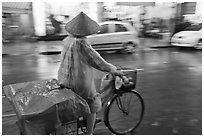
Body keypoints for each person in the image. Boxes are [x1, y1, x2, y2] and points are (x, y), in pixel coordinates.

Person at [58, 12, 123, 135]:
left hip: (63, 78)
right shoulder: (81, 42)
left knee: (82, 102)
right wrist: (112, 69)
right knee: (93, 102)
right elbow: (96, 60)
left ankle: (85, 119)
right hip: (77, 81)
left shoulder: (67, 40)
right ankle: (89, 133)